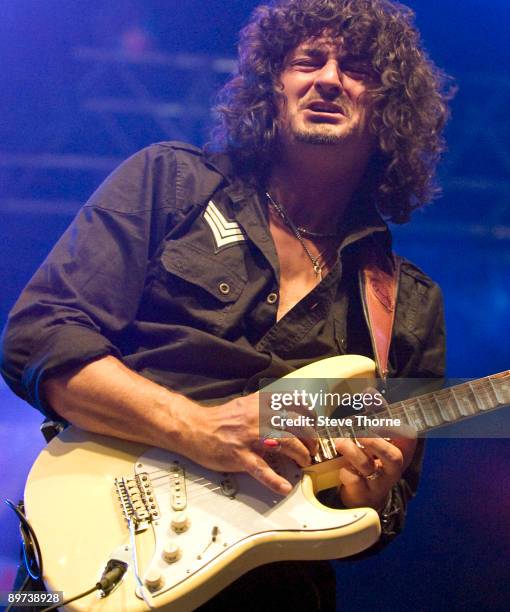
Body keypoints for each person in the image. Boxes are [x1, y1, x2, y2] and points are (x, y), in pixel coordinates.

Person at [0, 0, 452, 609]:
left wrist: (365, 492)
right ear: (273, 86)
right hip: (97, 550)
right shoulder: (173, 182)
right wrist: (196, 427)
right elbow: (39, 336)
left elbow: (383, 514)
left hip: (274, 591)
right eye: (307, 61)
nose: (327, 78)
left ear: (391, 108)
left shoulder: (408, 304)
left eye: (357, 68)